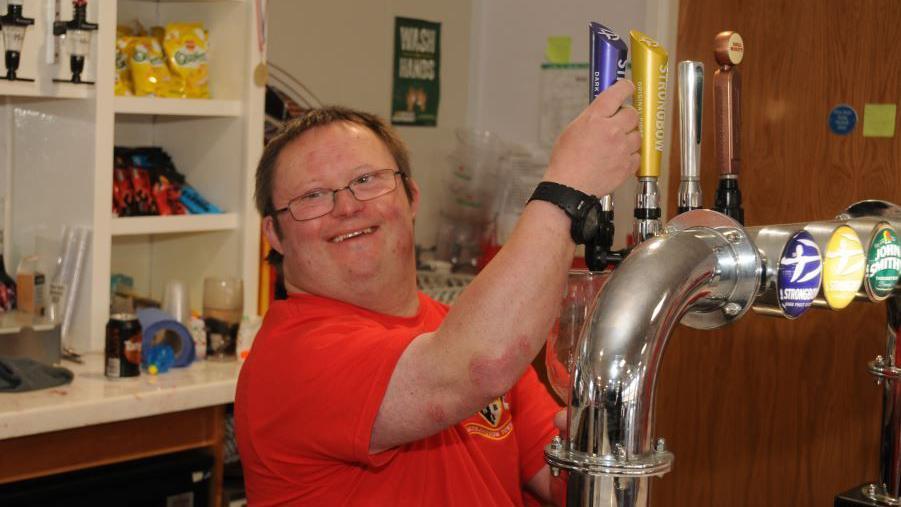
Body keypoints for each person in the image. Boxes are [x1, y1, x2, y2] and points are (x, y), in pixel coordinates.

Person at [235, 79, 640, 505]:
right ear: (274, 233)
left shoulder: (456, 331)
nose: (348, 206)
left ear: (411, 196)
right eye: (313, 196)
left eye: (367, 180)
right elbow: (482, 363)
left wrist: (595, 455)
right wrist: (568, 189)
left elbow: (560, 482)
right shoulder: (291, 358)